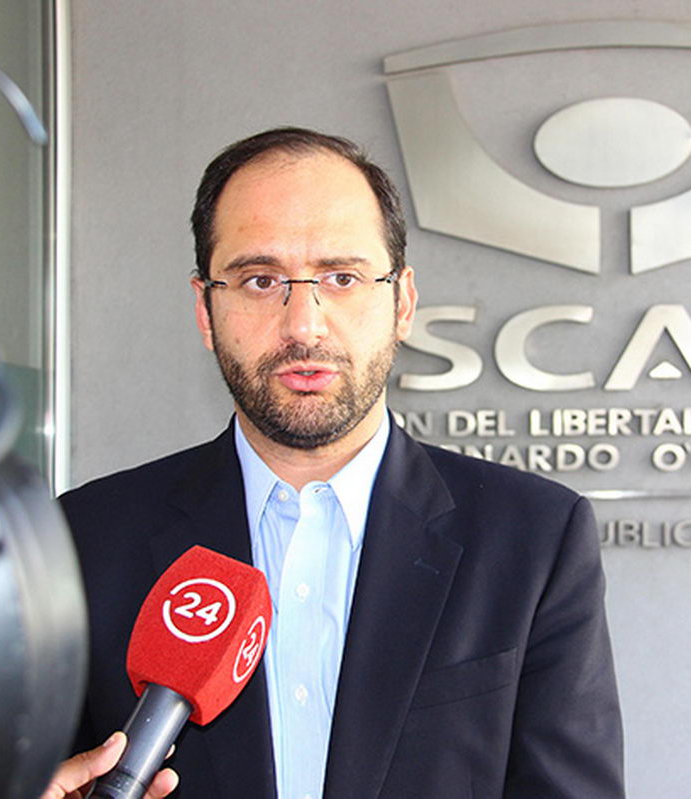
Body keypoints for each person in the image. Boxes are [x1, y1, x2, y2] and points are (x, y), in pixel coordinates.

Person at [56, 127, 624, 798]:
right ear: (206, 310)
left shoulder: (533, 537)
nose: (304, 324)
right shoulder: (84, 539)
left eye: (342, 277)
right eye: (260, 279)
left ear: (402, 302)